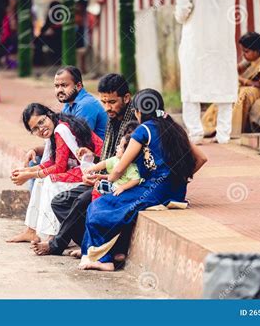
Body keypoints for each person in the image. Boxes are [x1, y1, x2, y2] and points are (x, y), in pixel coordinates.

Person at [79, 89, 207, 271]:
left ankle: (103, 259)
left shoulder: (143, 130)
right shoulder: (174, 127)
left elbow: (120, 167)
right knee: (117, 207)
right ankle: (99, 253)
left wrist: (105, 178)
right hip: (176, 192)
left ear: (139, 112)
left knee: (101, 207)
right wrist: (182, 178)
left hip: (153, 190)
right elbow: (202, 159)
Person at [30, 73, 137, 256]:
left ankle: (57, 245)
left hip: (124, 182)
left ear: (126, 98)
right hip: (106, 176)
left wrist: (101, 177)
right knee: (60, 202)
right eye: (104, 102)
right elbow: (109, 157)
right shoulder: (113, 118)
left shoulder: (133, 123)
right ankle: (90, 246)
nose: (107, 108)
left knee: (81, 201)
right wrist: (94, 158)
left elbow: (126, 164)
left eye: (111, 102)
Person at [10, 103, 103, 242]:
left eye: (41, 122)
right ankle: (31, 230)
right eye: (35, 129)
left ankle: (52, 236)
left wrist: (29, 175)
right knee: (41, 181)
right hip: (79, 168)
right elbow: (51, 162)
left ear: (49, 115)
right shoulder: (53, 130)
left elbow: (59, 168)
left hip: (94, 168)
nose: (41, 129)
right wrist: (28, 170)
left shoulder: (61, 129)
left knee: (50, 180)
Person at [175, 0, 238, 144]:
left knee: (191, 83)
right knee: (224, 82)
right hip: (223, 38)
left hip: (196, 38)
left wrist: (177, 14)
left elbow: (182, 12)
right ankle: (224, 134)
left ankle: (195, 132)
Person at [202, 32, 260, 138]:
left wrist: (241, 80)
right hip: (259, 89)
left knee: (244, 93)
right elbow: (238, 68)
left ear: (256, 51)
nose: (244, 55)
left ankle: (233, 130)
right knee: (231, 92)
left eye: (246, 51)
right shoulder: (254, 58)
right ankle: (214, 127)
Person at [86, 121, 141, 201]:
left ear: (128, 152)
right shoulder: (116, 159)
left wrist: (123, 187)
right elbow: (104, 163)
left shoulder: (131, 166)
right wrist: (92, 169)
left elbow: (136, 180)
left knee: (100, 193)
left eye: (120, 147)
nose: (117, 147)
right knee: (97, 189)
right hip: (114, 185)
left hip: (120, 189)